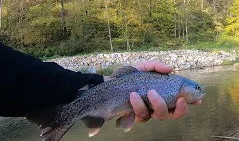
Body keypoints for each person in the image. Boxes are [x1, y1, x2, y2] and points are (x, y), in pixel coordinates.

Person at [0, 42, 201, 123]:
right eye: (198, 89)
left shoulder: (178, 85)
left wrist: (102, 82)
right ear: (187, 88)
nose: (199, 92)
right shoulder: (178, 83)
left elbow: (15, 72)